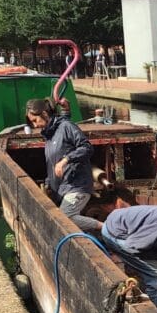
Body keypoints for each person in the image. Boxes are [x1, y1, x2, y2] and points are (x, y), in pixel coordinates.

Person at [25, 98, 100, 233]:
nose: (34, 126)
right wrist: (48, 185)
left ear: (44, 114)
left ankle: (104, 227)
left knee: (66, 218)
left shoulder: (66, 126)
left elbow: (86, 147)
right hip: (62, 188)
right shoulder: (49, 134)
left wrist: (66, 160)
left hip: (77, 185)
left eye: (35, 121)